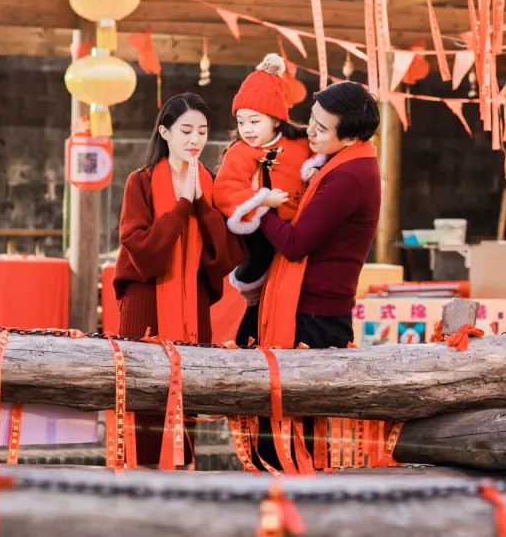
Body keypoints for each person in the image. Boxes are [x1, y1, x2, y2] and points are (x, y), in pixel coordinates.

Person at [240, 80, 381, 473]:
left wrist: (259, 205)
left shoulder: (348, 176)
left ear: (351, 135)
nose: (311, 132)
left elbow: (295, 243)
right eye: (311, 121)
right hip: (315, 306)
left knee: (295, 430)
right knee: (295, 425)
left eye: (322, 128)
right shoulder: (342, 162)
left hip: (314, 315)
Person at [112, 93, 244, 468]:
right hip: (146, 300)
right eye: (186, 130)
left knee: (185, 388)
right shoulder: (139, 183)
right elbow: (141, 249)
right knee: (142, 390)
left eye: (202, 131)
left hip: (192, 305)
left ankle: (179, 480)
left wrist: (202, 203)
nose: (195, 140)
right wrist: (182, 204)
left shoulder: (211, 183)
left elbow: (227, 255)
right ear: (165, 131)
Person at [212, 54, 322, 337]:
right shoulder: (240, 151)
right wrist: (261, 199)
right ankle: (251, 292)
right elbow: (225, 190)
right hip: (261, 226)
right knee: (259, 270)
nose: (247, 130)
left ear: (275, 119)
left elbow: (321, 156)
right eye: (241, 121)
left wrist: (313, 169)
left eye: (255, 121)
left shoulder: (299, 140)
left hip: (297, 229)